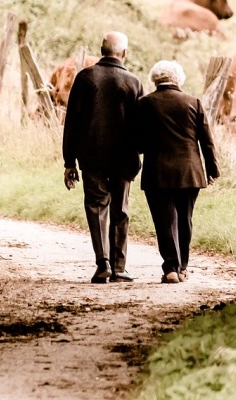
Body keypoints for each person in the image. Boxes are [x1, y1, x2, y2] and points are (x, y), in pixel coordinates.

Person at [62, 31, 144, 284]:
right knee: (120, 209)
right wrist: (139, 152)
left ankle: (103, 264)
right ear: (124, 53)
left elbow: (71, 122)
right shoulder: (133, 82)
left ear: (101, 49)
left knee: (96, 207)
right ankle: (120, 268)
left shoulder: (85, 78)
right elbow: (140, 126)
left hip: (91, 156)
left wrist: (69, 162)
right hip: (124, 158)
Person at [136, 60, 220, 284]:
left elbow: (138, 142)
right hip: (190, 171)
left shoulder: (144, 103)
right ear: (178, 79)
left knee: (164, 221)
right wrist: (212, 170)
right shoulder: (193, 102)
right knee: (185, 219)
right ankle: (183, 267)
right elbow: (207, 141)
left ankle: (170, 268)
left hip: (157, 172)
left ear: (155, 79)